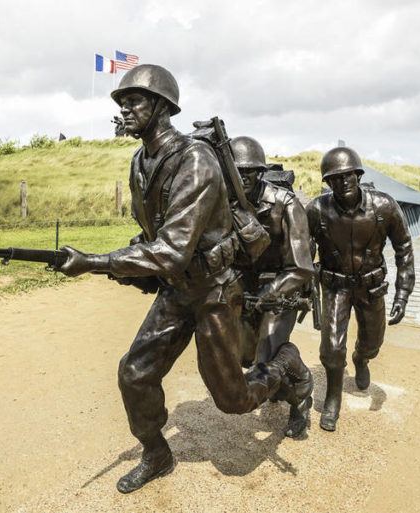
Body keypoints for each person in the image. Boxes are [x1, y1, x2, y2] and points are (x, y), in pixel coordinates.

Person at [55, 64, 311, 493]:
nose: (125, 108)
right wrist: (128, 266)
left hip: (213, 291)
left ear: (161, 106)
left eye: (134, 100)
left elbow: (173, 247)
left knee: (233, 401)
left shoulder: (195, 160)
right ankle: (156, 454)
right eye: (122, 101)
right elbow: (152, 234)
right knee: (134, 373)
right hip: (177, 290)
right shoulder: (140, 161)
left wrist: (96, 262)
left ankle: (284, 363)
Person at [306, 147, 415, 432]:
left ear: (358, 175)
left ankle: (361, 358)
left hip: (371, 286)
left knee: (372, 342)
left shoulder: (384, 206)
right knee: (331, 349)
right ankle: (332, 398)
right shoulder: (317, 209)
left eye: (348, 176)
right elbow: (303, 249)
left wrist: (403, 293)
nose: (343, 183)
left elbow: (404, 248)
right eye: (335, 178)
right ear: (328, 182)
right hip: (335, 286)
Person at [230, 135, 315, 438]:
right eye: (236, 172)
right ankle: (285, 379)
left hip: (281, 286)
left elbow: (301, 266)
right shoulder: (227, 203)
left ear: (261, 171)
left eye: (249, 171)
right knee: (245, 358)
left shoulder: (285, 203)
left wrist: (272, 292)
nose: (243, 178)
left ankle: (302, 392)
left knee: (265, 362)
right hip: (244, 289)